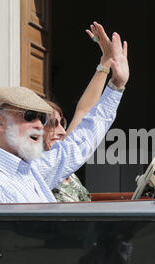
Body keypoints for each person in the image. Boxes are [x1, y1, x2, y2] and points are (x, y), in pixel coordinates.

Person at [0, 29, 129, 204]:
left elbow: (79, 143)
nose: (39, 125)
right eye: (30, 116)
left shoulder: (29, 168)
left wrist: (116, 84)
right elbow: (22, 232)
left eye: (42, 118)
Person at [43, 22, 114, 202]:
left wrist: (105, 62)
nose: (61, 131)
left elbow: (84, 111)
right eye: (52, 123)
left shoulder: (62, 155)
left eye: (62, 123)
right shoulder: (36, 168)